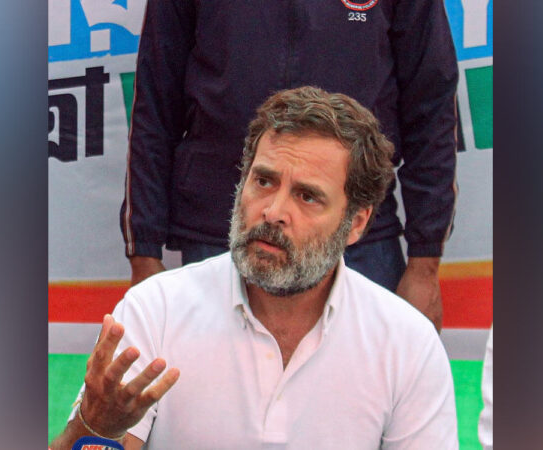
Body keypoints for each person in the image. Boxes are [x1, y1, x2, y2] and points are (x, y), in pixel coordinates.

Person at [54, 87, 457, 449]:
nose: (274, 211)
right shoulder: (155, 310)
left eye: (307, 196)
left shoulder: (407, 343)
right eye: (264, 181)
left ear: (356, 223)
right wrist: (95, 427)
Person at [120, 0, 459, 332]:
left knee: (368, 369)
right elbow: (154, 105)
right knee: (213, 371)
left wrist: (425, 263)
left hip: (356, 241)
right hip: (223, 233)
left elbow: (432, 108)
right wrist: (144, 251)